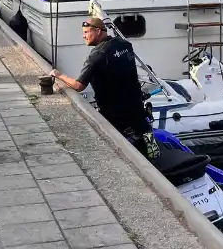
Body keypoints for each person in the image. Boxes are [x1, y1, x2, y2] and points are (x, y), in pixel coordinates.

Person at [49, 18, 160, 159]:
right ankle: (151, 152)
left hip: (114, 112)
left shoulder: (97, 54)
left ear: (98, 31)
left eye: (86, 32)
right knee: (143, 133)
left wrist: (59, 75)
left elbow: (78, 86)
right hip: (135, 106)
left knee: (114, 146)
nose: (83, 36)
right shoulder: (125, 45)